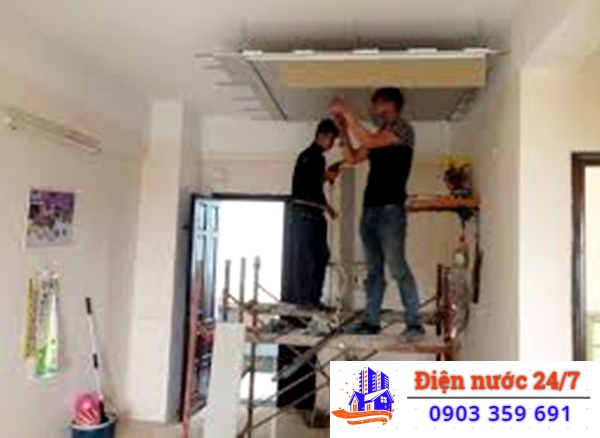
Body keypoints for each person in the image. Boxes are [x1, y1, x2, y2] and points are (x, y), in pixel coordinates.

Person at [329, 87, 425, 342]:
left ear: (395, 107)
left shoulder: (403, 130)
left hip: (391, 210)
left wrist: (348, 113)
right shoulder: (379, 135)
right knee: (374, 270)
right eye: (377, 108)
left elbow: (370, 141)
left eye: (383, 107)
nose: (379, 112)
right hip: (370, 209)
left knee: (397, 266)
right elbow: (352, 157)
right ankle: (371, 322)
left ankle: (414, 324)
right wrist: (343, 129)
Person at [278, 119, 341, 415]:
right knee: (310, 259)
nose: (332, 144)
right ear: (323, 136)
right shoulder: (312, 156)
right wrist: (326, 199)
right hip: (306, 215)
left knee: (319, 256)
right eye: (332, 139)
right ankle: (307, 302)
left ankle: (311, 301)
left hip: (310, 214)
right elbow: (309, 190)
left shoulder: (313, 159)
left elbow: (312, 185)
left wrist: (326, 198)